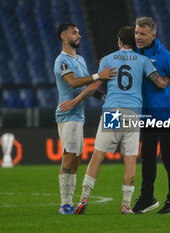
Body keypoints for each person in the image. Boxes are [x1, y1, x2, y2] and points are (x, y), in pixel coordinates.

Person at [62, 26, 168, 215]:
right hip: (133, 114)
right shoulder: (143, 61)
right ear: (134, 42)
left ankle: (83, 199)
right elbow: (160, 83)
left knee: (97, 157)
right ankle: (126, 205)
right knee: (130, 160)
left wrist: (74, 102)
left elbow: (93, 87)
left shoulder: (108, 60)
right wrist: (168, 76)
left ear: (119, 41)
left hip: (112, 112)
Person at [132, 17, 170, 214]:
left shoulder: (167, 57)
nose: (138, 37)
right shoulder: (133, 54)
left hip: (166, 113)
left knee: (169, 158)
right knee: (148, 156)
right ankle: (147, 199)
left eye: (143, 34)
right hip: (146, 114)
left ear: (153, 35)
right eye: (136, 33)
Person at [54, 22, 117, 215]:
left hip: (78, 114)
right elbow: (73, 82)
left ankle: (69, 202)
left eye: (79, 32)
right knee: (69, 155)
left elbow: (87, 87)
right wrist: (99, 74)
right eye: (74, 33)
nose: (78, 35)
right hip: (68, 113)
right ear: (63, 36)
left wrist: (104, 97)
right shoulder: (62, 61)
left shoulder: (80, 59)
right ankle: (65, 204)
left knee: (77, 159)